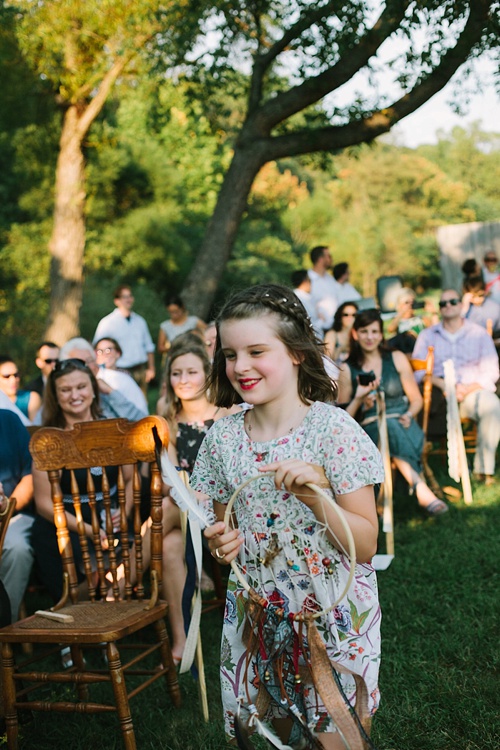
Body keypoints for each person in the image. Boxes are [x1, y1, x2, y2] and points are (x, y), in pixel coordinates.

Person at [191, 283, 384, 749]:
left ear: (296, 353)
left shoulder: (333, 430)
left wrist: (319, 498)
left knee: (333, 733)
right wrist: (222, 546)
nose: (240, 366)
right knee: (282, 732)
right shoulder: (223, 439)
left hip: (329, 607)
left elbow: (365, 545)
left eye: (257, 350)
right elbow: (225, 536)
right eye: (230, 354)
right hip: (259, 608)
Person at [337, 309, 448, 515]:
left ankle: (383, 499)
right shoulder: (347, 368)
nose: (369, 337)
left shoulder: (395, 358)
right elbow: (342, 420)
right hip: (369, 431)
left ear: (381, 334)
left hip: (403, 422)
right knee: (385, 427)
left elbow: (416, 401)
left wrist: (408, 414)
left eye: (374, 332)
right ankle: (421, 489)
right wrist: (360, 399)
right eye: (364, 331)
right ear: (355, 334)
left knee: (391, 425)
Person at [412, 289, 500, 485]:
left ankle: (483, 470)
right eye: (443, 303)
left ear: (461, 305)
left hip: (471, 391)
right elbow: (417, 370)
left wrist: (466, 389)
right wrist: (441, 383)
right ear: (439, 309)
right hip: (438, 393)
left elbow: (492, 371)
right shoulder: (428, 335)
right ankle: (425, 467)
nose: (448, 306)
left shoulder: (478, 334)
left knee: (493, 405)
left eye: (452, 302)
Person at [59, 338, 147, 422]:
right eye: (79, 364)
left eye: (90, 361)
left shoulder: (114, 384)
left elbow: (141, 421)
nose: (87, 368)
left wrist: (111, 392)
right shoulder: (62, 395)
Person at [0, 410, 34, 621]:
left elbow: (30, 478)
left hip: (15, 514)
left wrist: (6, 508)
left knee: (17, 548)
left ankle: (4, 627)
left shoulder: (8, 421)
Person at [92, 285, 156, 391]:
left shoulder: (140, 321)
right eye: (124, 297)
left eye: (130, 296)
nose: (128, 299)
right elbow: (97, 347)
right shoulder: (107, 322)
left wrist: (151, 368)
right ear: (117, 301)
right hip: (119, 370)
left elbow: (149, 346)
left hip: (139, 370)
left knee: (141, 402)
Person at [94, 337, 149, 415]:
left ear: (118, 353)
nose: (104, 354)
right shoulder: (94, 377)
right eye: (99, 351)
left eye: (108, 350)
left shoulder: (124, 377)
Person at [0, 356, 41, 422]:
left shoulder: (31, 398)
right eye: (6, 376)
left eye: (16, 375)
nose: (13, 380)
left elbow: (35, 429)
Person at [308, 245, 339, 332]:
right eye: (329, 256)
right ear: (320, 259)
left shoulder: (330, 278)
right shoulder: (308, 279)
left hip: (335, 326)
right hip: (318, 329)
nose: (331, 259)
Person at [291, 269, 323, 337]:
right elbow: (309, 323)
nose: (311, 284)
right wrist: (321, 320)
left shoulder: (301, 297)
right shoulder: (300, 299)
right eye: (310, 280)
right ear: (305, 281)